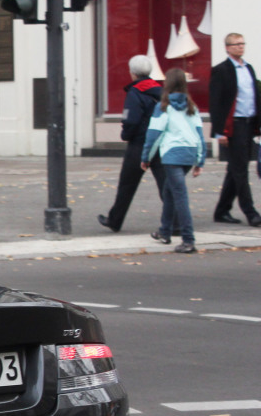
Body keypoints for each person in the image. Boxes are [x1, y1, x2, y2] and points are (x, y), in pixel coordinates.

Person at [99, 55, 166, 232]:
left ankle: (115, 220)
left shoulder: (135, 92)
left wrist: (126, 134)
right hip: (160, 143)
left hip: (139, 144)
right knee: (165, 185)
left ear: (133, 73)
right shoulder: (161, 91)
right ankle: (175, 221)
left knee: (127, 184)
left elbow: (131, 120)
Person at [143, 67, 206, 254]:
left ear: (166, 84)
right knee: (169, 191)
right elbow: (200, 134)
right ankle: (164, 231)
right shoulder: (191, 106)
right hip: (189, 153)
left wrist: (145, 158)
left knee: (179, 195)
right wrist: (200, 160)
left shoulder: (163, 106)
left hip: (172, 155)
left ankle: (188, 240)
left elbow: (153, 135)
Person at [208, 32, 261, 226]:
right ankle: (251, 212)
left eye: (242, 43)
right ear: (227, 48)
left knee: (235, 169)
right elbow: (216, 103)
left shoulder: (249, 69)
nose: (240, 47)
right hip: (233, 126)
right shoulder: (221, 70)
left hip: (249, 124)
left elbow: (255, 97)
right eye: (236, 44)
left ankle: (222, 211)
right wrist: (219, 131)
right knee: (240, 170)